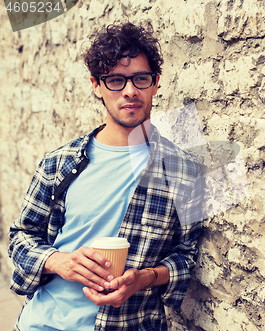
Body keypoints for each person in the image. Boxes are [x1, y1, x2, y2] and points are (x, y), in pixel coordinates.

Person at [8, 21, 204, 330]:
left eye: (140, 79)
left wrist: (145, 279)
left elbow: (186, 255)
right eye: (115, 80)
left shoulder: (184, 171)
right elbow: (20, 237)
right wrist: (59, 261)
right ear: (96, 85)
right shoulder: (58, 163)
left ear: (155, 83)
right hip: (43, 323)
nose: (130, 91)